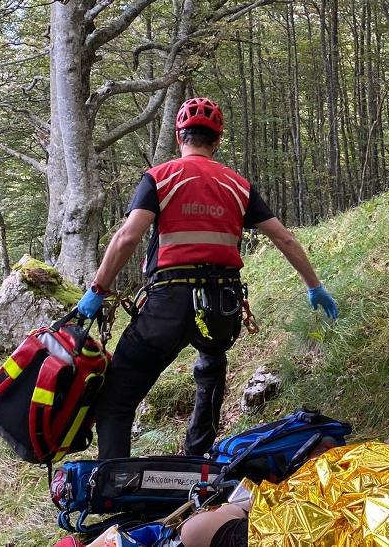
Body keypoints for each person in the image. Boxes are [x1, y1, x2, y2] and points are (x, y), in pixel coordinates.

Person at [78, 97, 338, 460]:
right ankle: (198, 461)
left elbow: (128, 237)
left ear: (178, 137)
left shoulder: (159, 177)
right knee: (212, 364)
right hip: (221, 305)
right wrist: (314, 285)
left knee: (118, 399)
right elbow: (284, 237)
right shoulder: (238, 186)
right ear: (217, 141)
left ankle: (113, 484)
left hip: (168, 304)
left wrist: (97, 290)